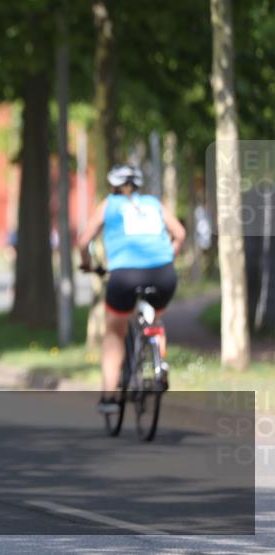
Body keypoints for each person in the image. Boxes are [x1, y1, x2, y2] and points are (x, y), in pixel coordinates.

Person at [77, 163, 186, 415]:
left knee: (115, 331)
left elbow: (83, 241)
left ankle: (109, 396)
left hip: (124, 274)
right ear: (137, 185)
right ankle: (160, 365)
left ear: (113, 185)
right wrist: (170, 257)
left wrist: (88, 265)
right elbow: (179, 233)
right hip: (163, 273)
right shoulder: (153, 203)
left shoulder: (108, 205)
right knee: (155, 317)